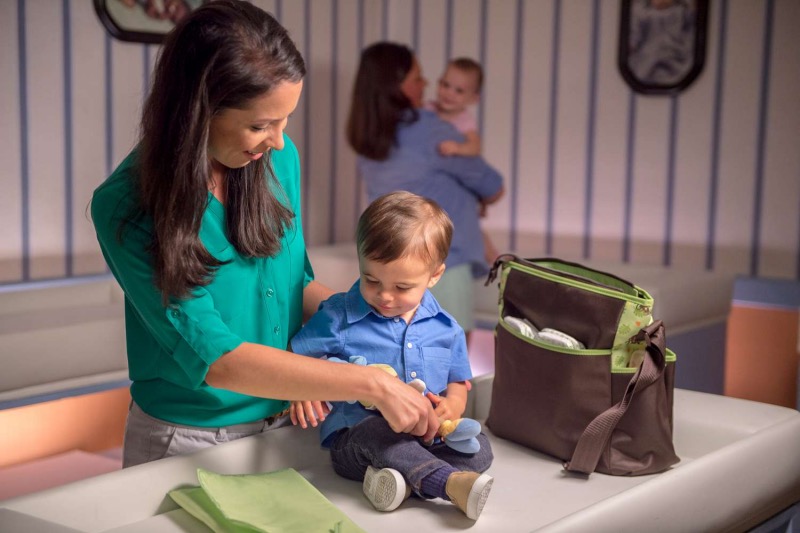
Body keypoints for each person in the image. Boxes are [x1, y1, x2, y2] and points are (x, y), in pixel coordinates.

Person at [90, 0, 437, 469]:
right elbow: (219, 358)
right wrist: (369, 384)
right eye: (260, 124)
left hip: (292, 422)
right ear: (199, 111)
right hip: (191, 442)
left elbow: (296, 288)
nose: (277, 140)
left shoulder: (276, 159)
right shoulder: (128, 206)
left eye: (284, 119)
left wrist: (383, 318)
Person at [290, 191, 494, 520]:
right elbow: (296, 360)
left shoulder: (447, 328)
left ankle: (402, 481)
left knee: (480, 448)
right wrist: (302, 391)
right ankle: (449, 484)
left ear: (435, 275)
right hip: (358, 440)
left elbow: (459, 382)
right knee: (378, 435)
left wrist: (451, 408)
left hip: (427, 437)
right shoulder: (338, 315)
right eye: (371, 279)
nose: (384, 296)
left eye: (402, 288)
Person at [346, 42, 504, 342]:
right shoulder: (429, 129)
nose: (427, 84)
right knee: (450, 372)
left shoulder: (366, 140)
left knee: (401, 364)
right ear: (397, 85)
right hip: (440, 263)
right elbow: (493, 186)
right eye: (418, 78)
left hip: (388, 267)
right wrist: (477, 198)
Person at [426, 57, 500, 264]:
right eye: (445, 85)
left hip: (463, 185)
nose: (449, 93)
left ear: (474, 98)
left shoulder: (464, 120)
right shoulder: (428, 110)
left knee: (472, 224)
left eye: (459, 91)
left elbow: (476, 147)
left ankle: (493, 257)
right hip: (444, 186)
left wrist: (457, 148)